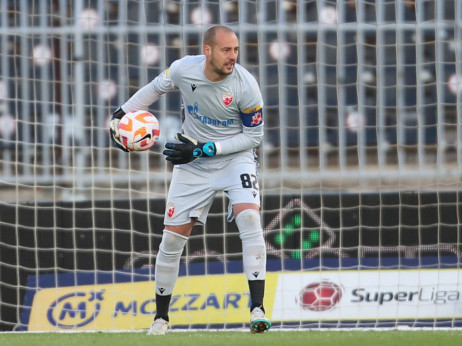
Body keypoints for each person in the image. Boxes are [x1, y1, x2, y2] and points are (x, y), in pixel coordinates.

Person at [109, 25, 270, 335]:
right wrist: (121, 114)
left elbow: (254, 136)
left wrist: (208, 148)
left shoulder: (246, 85)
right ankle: (161, 318)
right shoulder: (184, 69)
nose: (233, 56)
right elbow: (155, 88)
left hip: (233, 158)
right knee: (171, 239)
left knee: (249, 217)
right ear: (207, 51)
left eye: (236, 50)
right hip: (192, 163)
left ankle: (257, 309)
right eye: (226, 50)